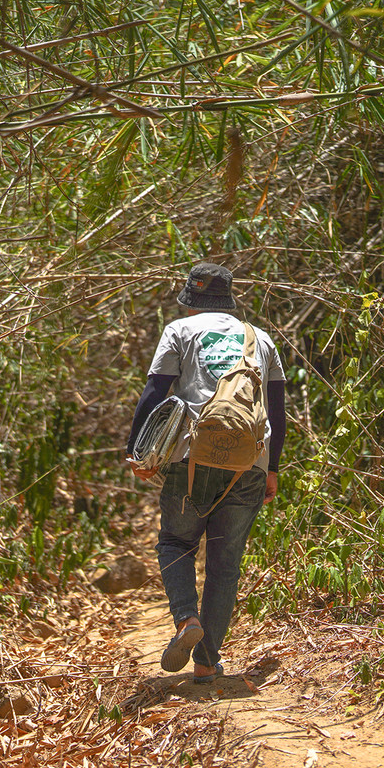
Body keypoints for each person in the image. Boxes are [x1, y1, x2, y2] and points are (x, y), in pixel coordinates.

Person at [126, 262, 286, 684]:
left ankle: (185, 620)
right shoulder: (262, 339)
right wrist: (271, 468)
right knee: (224, 564)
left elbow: (155, 392)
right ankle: (206, 661)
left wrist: (137, 451)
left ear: (192, 298)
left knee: (176, 542)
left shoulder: (180, 331)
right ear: (228, 299)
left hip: (190, 458)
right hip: (248, 462)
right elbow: (277, 411)